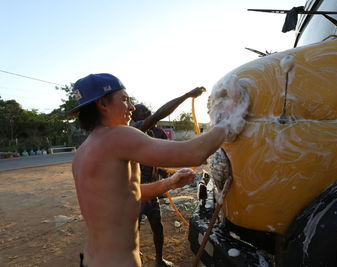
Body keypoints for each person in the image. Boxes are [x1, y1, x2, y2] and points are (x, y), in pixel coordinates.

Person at [68, 73, 242, 267]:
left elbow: (126, 195)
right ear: (102, 104)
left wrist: (170, 182)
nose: (132, 107)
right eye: (125, 100)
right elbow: (195, 153)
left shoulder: (83, 152)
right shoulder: (117, 136)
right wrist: (227, 120)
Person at [132, 87, 204, 267]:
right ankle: (132, 259)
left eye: (148, 111)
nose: (149, 113)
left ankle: (158, 261)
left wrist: (165, 172)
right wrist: (187, 96)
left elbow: (157, 159)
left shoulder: (156, 134)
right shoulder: (133, 131)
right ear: (137, 118)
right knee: (132, 233)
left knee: (158, 228)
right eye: (144, 112)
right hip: (136, 193)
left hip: (153, 191)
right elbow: (158, 115)